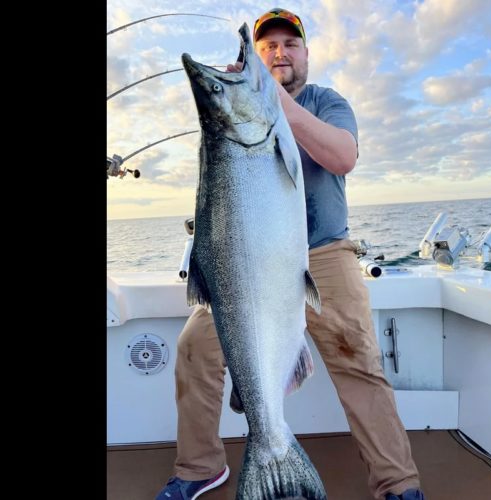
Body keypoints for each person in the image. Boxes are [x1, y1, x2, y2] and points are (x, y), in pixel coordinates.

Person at [156, 7, 425, 500]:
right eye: (269, 46)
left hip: (325, 252)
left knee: (358, 360)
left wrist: (277, 103)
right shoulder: (238, 116)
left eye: (290, 44)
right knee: (194, 347)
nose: (280, 52)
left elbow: (343, 156)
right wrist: (252, 103)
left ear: (305, 53)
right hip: (245, 265)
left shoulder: (326, 102)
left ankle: (397, 484)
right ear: (258, 57)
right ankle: (200, 468)